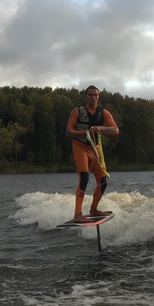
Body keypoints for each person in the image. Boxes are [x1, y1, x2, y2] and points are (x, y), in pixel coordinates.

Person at [65, 85, 120, 222]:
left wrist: (101, 128)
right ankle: (78, 214)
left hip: (95, 149)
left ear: (98, 96)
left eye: (95, 95)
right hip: (80, 146)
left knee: (103, 181)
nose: (93, 97)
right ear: (86, 96)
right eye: (90, 95)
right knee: (84, 178)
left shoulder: (104, 113)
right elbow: (68, 131)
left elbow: (115, 130)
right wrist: (83, 133)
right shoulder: (77, 111)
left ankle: (94, 209)